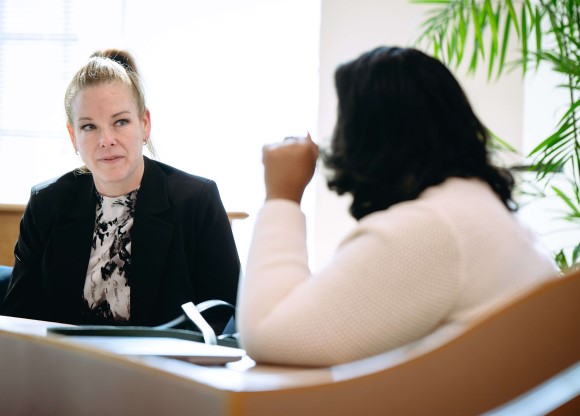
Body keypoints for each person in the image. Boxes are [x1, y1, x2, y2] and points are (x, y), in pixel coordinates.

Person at [236, 46, 558, 366]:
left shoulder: (435, 228)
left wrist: (281, 195)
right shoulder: (476, 210)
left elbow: (268, 334)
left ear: (369, 135)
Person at [1, 49, 240, 332]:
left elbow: (226, 313)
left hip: (163, 369)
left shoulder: (197, 201)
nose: (106, 140)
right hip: (66, 368)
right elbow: (19, 316)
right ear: (72, 136)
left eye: (120, 121)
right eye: (89, 126)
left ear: (145, 124)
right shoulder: (46, 203)